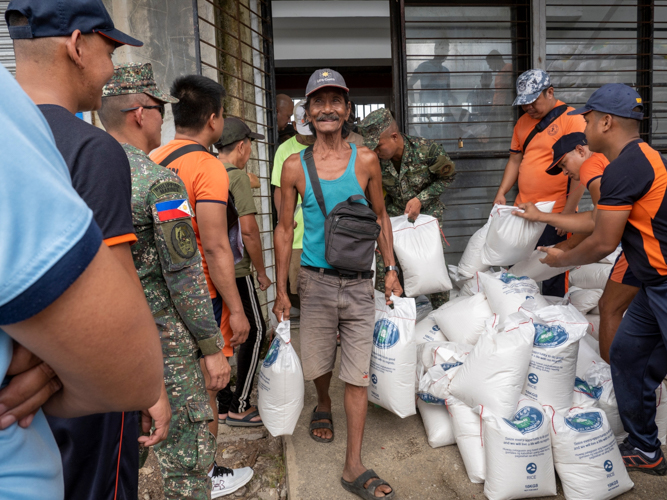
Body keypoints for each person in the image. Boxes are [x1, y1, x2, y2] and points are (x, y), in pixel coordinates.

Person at [6, 1, 172, 498]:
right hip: (85, 392)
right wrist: (150, 388)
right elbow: (117, 297)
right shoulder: (92, 149)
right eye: (109, 51)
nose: (110, 71)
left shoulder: (11, 136)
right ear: (77, 45)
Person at [98, 62, 252, 499]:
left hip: (99, 344)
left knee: (116, 462)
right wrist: (211, 347)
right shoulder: (159, 184)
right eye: (159, 111)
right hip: (164, 345)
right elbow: (184, 276)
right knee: (187, 469)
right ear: (140, 113)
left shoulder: (79, 172)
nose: (163, 120)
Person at [273, 68, 402, 499]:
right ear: (307, 113)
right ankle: (322, 404)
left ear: (347, 110)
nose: (327, 108)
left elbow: (381, 216)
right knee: (319, 361)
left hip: (360, 283)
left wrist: (390, 269)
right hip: (315, 281)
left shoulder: (365, 160)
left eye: (335, 101)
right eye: (318, 101)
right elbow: (282, 229)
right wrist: (279, 291)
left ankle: (353, 465)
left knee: (358, 373)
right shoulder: (294, 165)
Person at [537, 83, 667, 475]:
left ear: (606, 122)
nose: (585, 125)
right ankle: (646, 448)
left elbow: (602, 242)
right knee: (627, 354)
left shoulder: (625, 167)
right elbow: (601, 223)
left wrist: (561, 259)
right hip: (651, 284)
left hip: (664, 281)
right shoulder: (636, 158)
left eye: (589, 119)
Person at [150, 76, 253, 495]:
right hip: (202, 296)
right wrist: (238, 308)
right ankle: (207, 473)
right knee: (210, 383)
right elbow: (213, 245)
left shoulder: (153, 157)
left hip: (160, 297)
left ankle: (184, 466)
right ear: (213, 119)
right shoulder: (209, 166)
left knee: (178, 385)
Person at [513, 132, 639, 362]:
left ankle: (610, 375)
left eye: (563, 164)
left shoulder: (591, 166)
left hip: (647, 248)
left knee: (610, 308)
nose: (564, 172)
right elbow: (596, 218)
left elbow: (600, 232)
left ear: (581, 151)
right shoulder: (610, 164)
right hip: (642, 246)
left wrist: (562, 258)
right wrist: (567, 244)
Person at [493, 69, 586, 297]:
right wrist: (502, 191)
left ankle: (554, 317)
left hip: (555, 214)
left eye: (533, 102)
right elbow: (515, 159)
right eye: (524, 104)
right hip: (523, 210)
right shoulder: (523, 123)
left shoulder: (572, 119)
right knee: (518, 267)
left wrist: (567, 214)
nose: (528, 108)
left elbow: (582, 171)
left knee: (553, 268)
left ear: (550, 92)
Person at [358, 107, 456, 308]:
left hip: (426, 216)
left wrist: (421, 199)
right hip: (394, 215)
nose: (375, 152)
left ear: (394, 136)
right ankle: (391, 312)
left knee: (430, 264)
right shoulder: (375, 161)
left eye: (378, 146)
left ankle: (442, 312)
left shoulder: (427, 150)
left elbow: (448, 176)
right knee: (387, 262)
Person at [213, 117, 269, 427]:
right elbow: (248, 232)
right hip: (236, 268)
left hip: (212, 268)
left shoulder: (208, 170)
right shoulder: (236, 179)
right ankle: (240, 405)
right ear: (242, 146)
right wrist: (261, 272)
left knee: (223, 334)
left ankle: (222, 405)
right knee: (256, 329)